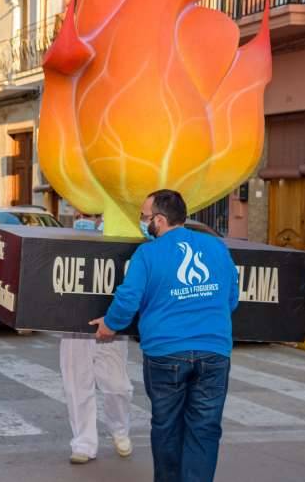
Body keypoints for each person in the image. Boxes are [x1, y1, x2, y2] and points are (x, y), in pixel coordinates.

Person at [90, 190, 239, 482]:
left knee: (167, 425)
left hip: (165, 354)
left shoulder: (148, 253)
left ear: (159, 220)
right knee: (205, 428)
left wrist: (110, 324)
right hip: (214, 352)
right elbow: (231, 298)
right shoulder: (216, 247)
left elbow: (128, 298)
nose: (144, 224)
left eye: (145, 218)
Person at [61, 212, 133, 464]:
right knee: (77, 385)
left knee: (118, 386)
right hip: (75, 326)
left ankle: (120, 429)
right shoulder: (72, 238)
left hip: (111, 325)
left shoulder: (132, 233)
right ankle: (83, 443)